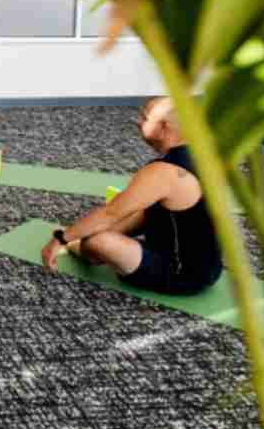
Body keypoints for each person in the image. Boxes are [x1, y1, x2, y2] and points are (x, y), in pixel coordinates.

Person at [40, 96, 223, 295]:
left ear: (163, 127)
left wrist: (61, 239)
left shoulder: (165, 171)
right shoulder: (200, 156)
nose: (138, 122)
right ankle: (84, 241)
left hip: (183, 274)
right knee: (102, 229)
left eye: (144, 118)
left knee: (97, 242)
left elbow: (111, 212)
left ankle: (79, 246)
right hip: (207, 266)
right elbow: (147, 213)